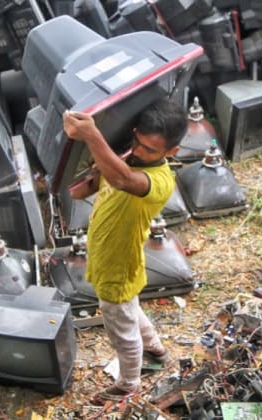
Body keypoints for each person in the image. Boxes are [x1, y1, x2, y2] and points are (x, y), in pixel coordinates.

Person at [62, 98, 188, 403]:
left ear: (171, 152)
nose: (140, 151)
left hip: (117, 265)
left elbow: (121, 179)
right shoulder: (128, 156)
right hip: (109, 257)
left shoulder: (159, 180)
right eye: (138, 142)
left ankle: (128, 383)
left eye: (150, 150)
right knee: (128, 310)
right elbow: (84, 188)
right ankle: (156, 347)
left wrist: (92, 136)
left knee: (121, 328)